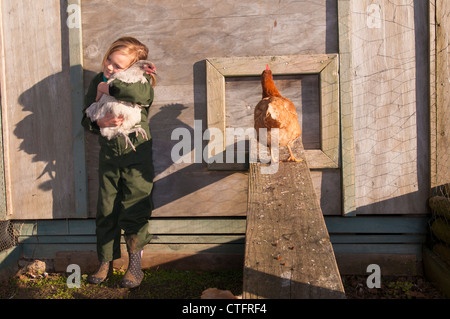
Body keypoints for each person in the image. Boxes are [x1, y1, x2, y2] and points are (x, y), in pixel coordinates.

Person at [82, 37, 156, 288]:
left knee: (135, 208)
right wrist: (98, 123)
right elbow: (86, 117)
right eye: (109, 61)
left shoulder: (141, 82)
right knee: (106, 209)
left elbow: (141, 95)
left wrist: (109, 89)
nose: (110, 68)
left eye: (118, 66)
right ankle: (105, 262)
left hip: (137, 158)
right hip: (109, 157)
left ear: (133, 68)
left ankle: (135, 267)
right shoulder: (98, 80)